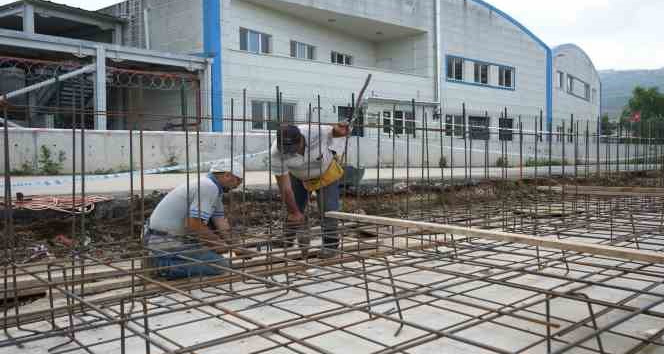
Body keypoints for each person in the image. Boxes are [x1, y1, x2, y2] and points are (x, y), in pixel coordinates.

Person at [144, 162, 243, 279]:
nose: (237, 186)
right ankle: (161, 266)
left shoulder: (213, 189)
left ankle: (166, 259)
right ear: (227, 175)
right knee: (220, 265)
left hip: (164, 237)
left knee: (215, 254)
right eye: (238, 181)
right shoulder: (208, 187)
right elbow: (193, 224)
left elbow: (220, 221)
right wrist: (218, 243)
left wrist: (237, 246)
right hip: (164, 240)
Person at [271, 122, 351, 258]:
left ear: (301, 139)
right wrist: (294, 212)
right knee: (293, 207)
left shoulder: (316, 132)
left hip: (326, 173)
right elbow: (285, 188)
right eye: (287, 151)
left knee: (328, 210)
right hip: (298, 176)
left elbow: (337, 131)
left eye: (294, 149)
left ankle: (330, 244)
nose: (292, 153)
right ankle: (287, 238)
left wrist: (341, 130)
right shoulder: (276, 153)